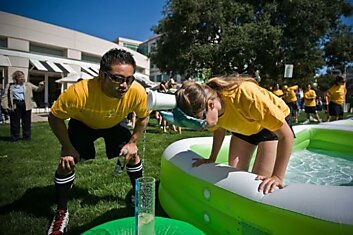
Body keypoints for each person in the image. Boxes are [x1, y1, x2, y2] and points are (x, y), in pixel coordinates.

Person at [47, 49, 150, 235]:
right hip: (83, 124)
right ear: (102, 75)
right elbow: (54, 117)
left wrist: (133, 141)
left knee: (133, 156)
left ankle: (138, 198)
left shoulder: (137, 91)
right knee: (66, 163)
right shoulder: (79, 92)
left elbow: (143, 117)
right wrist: (68, 147)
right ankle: (61, 212)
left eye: (129, 79)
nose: (124, 85)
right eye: (118, 78)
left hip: (114, 123)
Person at [176, 74, 294, 195]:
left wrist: (278, 176)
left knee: (260, 184)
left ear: (211, 105)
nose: (201, 126)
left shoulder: (245, 95)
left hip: (270, 127)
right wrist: (212, 158)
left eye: (201, 120)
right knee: (236, 181)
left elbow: (286, 136)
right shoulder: (212, 108)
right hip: (244, 126)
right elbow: (219, 129)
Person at [1, 71, 44, 141]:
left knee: (26, 122)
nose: (22, 78)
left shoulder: (28, 84)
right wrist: (5, 106)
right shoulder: (10, 86)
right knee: (14, 122)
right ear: (16, 78)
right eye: (20, 77)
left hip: (26, 104)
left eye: (23, 76)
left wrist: (41, 85)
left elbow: (37, 89)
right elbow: (4, 96)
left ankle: (26, 137)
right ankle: (15, 138)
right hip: (15, 104)